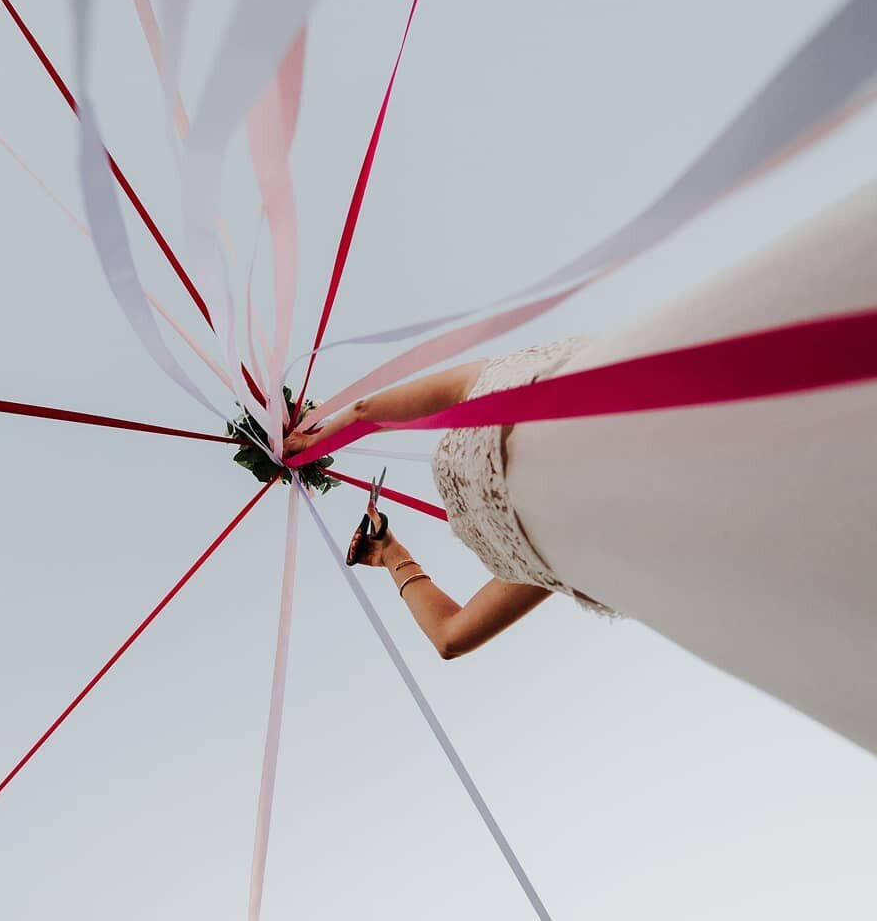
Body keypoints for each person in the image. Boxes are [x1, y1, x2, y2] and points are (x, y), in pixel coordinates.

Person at [284, 180, 877, 754]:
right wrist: (317, 429)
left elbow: (451, 637)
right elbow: (364, 409)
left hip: (707, 542)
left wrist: (390, 553)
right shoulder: (498, 378)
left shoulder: (547, 542)